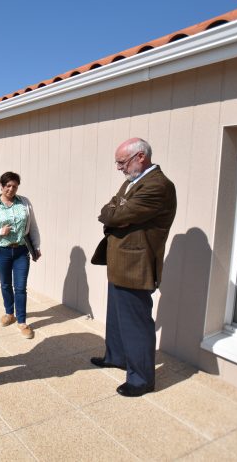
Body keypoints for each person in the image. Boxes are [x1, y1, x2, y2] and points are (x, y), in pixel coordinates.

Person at [90, 137, 176, 397]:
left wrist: (117, 213)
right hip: (120, 261)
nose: (119, 168)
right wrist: (116, 213)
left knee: (136, 323)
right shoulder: (132, 182)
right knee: (117, 317)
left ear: (141, 156)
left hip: (136, 264)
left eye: (121, 162)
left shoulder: (158, 185)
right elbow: (110, 210)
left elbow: (116, 214)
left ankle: (141, 379)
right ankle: (116, 356)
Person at [0, 171, 41, 339]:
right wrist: (0, 231)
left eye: (14, 186)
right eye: (8, 186)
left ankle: (22, 321)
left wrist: (36, 246)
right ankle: (9, 313)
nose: (11, 189)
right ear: (1, 186)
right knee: (6, 284)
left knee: (20, 287)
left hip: (21, 250)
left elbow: (33, 226)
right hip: (2, 251)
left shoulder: (24, 203)